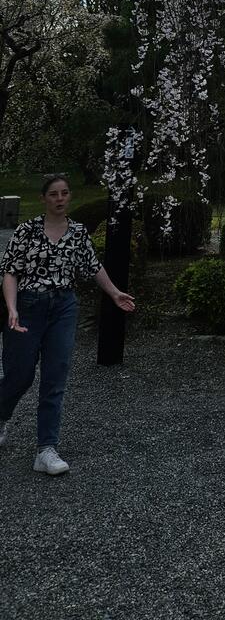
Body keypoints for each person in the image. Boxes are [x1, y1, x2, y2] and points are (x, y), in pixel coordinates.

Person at [0, 174, 135, 475]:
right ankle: (1, 414)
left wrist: (114, 293)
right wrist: (11, 309)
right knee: (19, 376)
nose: (60, 199)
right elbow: (10, 272)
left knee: (55, 378)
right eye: (53, 194)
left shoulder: (77, 233)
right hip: (28, 307)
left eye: (64, 193)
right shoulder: (26, 231)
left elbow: (92, 266)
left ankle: (46, 449)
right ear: (44, 198)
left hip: (63, 308)